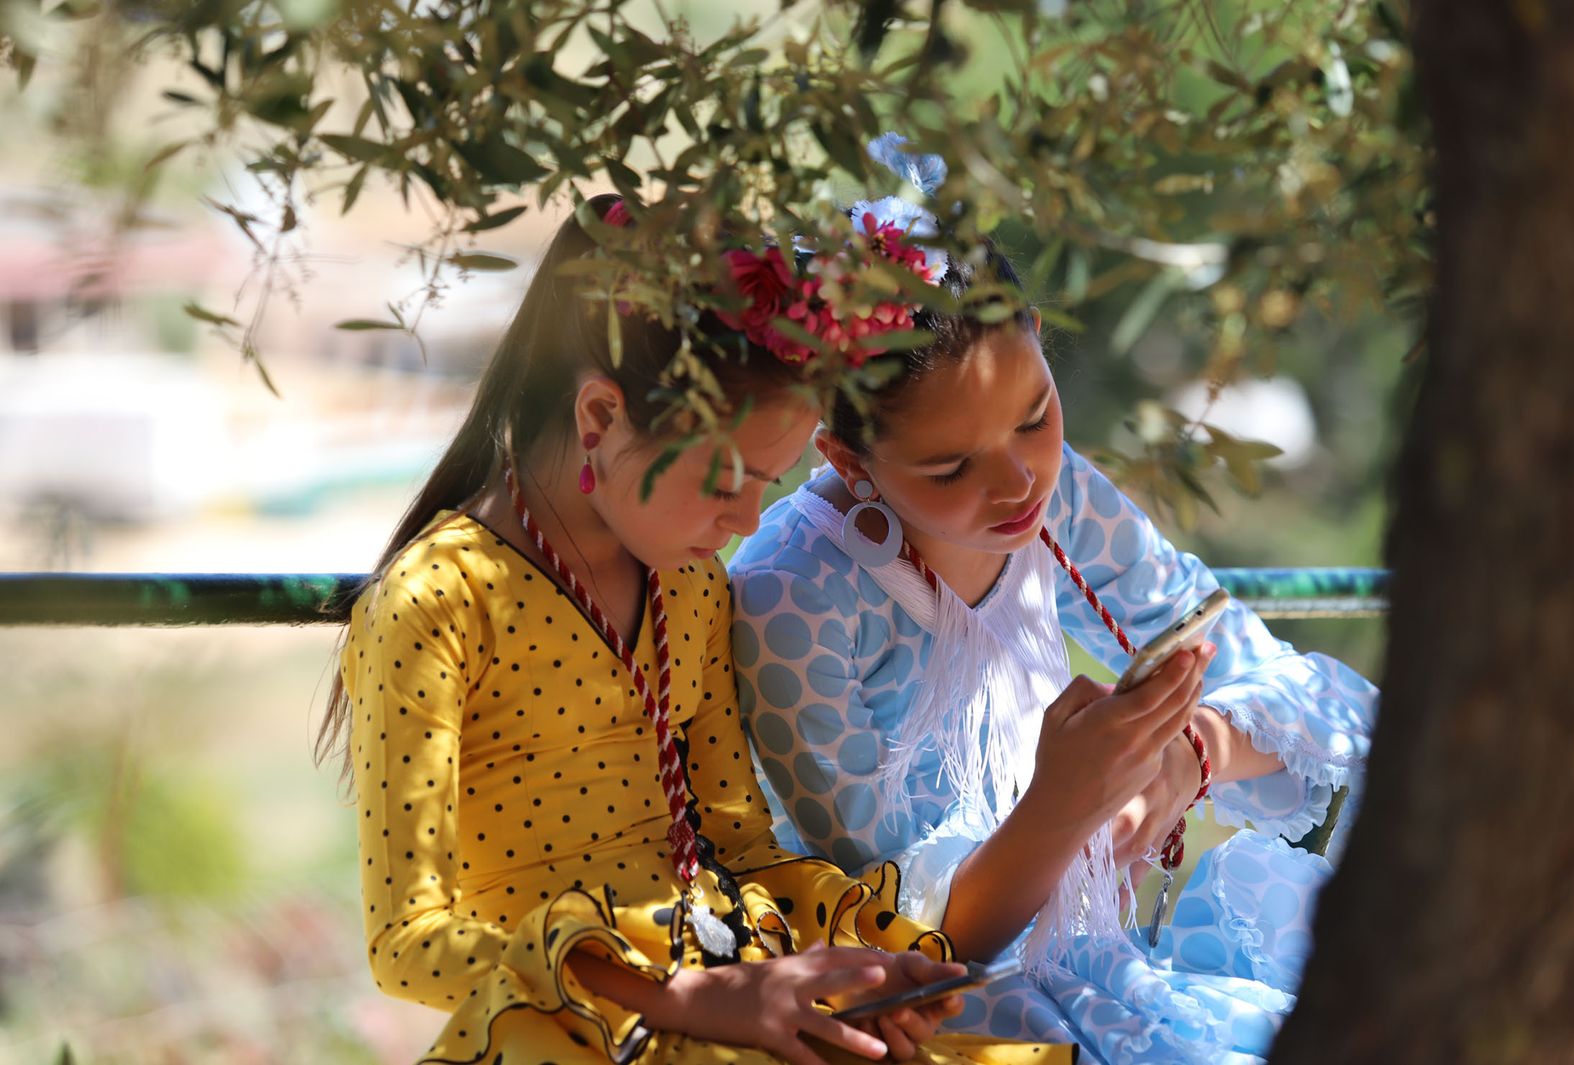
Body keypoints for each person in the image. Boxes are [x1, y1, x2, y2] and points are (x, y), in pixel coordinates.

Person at [318, 194, 1076, 1065]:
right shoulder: (435, 601)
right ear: (599, 419)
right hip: (575, 1028)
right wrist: (680, 995)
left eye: (770, 480)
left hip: (732, 981)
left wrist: (867, 965)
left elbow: (740, 845)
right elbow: (409, 941)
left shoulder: (691, 585)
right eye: (726, 481)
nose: (749, 517)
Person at [728, 153, 1377, 1065]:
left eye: (1035, 414)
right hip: (951, 1022)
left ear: (1035, 331)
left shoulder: (1060, 498)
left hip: (1104, 970)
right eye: (950, 468)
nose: (1018, 481)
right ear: (845, 458)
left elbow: (1278, 678)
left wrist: (1191, 754)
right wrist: (1063, 804)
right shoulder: (794, 596)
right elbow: (901, 946)